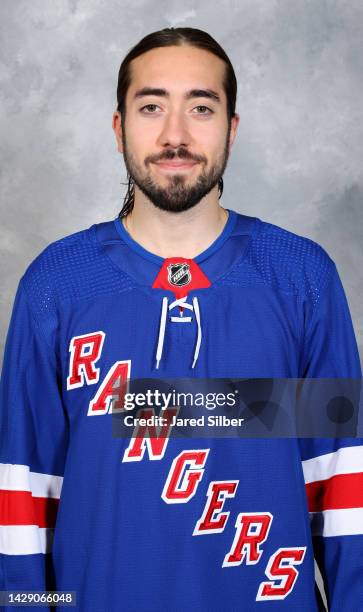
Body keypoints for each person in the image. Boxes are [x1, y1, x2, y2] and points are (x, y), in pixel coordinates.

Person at [0, 27, 362, 612]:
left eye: (201, 107)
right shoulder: (55, 285)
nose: (176, 135)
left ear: (232, 129)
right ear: (119, 128)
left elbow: (343, 490)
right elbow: (22, 500)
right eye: (151, 107)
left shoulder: (301, 279)